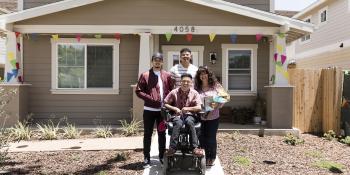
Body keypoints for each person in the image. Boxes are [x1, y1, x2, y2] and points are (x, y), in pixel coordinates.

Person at [135, 52, 174, 166]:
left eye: (159, 60)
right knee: (147, 134)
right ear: (152, 61)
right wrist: (150, 99)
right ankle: (146, 157)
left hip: (162, 111)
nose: (157, 62)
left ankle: (162, 156)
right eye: (155, 60)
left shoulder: (167, 75)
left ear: (162, 62)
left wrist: (170, 106)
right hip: (149, 110)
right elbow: (138, 91)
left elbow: (172, 92)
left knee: (162, 134)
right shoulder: (145, 75)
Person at [164, 73, 204, 156]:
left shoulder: (195, 93)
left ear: (191, 83)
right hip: (177, 115)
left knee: (189, 122)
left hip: (190, 115)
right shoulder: (174, 92)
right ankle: (172, 148)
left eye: (188, 82)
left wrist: (188, 109)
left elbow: (199, 107)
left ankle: (194, 148)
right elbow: (165, 104)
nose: (185, 83)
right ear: (180, 82)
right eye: (184, 81)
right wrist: (175, 108)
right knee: (178, 123)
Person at [194, 66, 227, 166]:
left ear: (208, 74)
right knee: (201, 137)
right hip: (200, 117)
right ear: (198, 76)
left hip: (213, 117)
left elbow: (225, 97)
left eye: (205, 73)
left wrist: (215, 104)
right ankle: (203, 156)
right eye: (201, 74)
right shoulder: (197, 87)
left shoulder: (215, 85)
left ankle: (211, 157)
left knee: (211, 138)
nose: (203, 76)